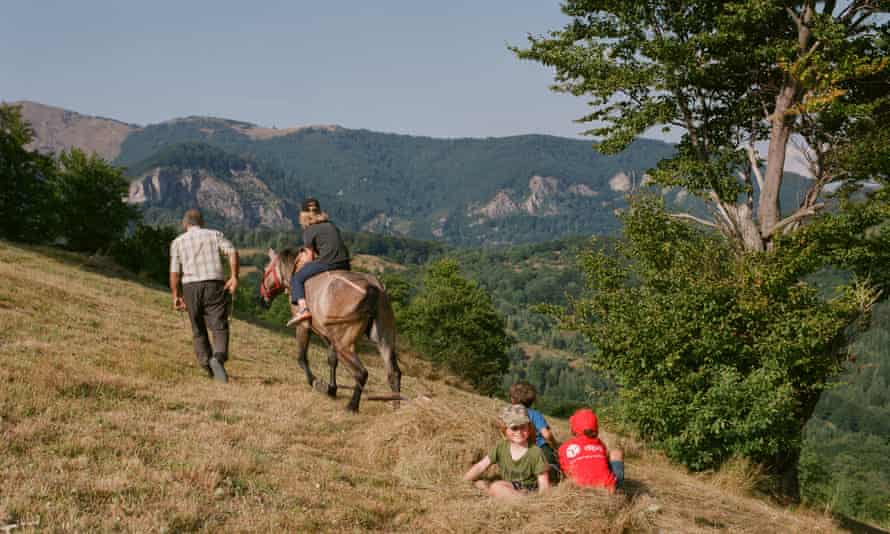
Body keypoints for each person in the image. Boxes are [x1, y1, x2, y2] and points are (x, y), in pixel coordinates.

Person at [169, 208, 239, 383]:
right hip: (213, 285)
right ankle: (219, 358)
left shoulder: (178, 242)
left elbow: (174, 272)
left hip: (190, 287)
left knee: (198, 329)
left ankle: (207, 365)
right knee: (219, 326)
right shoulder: (214, 234)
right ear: (202, 222)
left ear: (185, 224)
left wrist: (176, 295)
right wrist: (234, 277)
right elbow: (232, 251)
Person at [462, 404, 551, 500]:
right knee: (480, 483)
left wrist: (541, 500)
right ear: (505, 430)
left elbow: (543, 483)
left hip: (527, 490)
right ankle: (501, 496)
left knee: (496, 486)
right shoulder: (501, 447)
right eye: (514, 428)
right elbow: (481, 466)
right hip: (510, 486)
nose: (519, 432)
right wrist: (464, 481)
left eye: (523, 427)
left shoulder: (535, 452)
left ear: (529, 428)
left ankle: (524, 503)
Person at [286, 198, 351, 326]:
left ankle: (303, 309)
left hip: (328, 263)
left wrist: (303, 265)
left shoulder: (309, 231)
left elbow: (309, 258)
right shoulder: (331, 225)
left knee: (297, 278)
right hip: (345, 264)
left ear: (303, 215)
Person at [558, 408, 624, 493]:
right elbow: (605, 459)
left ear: (573, 428)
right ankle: (621, 490)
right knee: (616, 453)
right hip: (608, 490)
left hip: (577, 490)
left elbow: (565, 471)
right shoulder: (600, 444)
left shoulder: (564, 447)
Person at [509, 382, 561, 480]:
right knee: (553, 466)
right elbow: (546, 435)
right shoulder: (535, 414)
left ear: (512, 400)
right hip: (541, 447)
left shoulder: (509, 414)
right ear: (532, 401)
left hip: (520, 449)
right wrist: (555, 446)